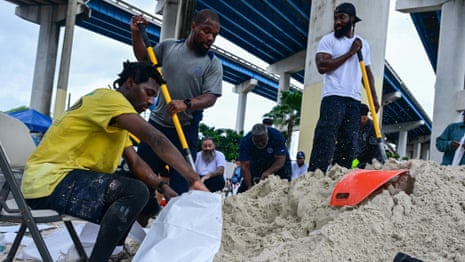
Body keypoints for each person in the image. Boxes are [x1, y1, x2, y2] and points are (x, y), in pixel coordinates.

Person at [21, 61, 208, 262]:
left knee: (143, 193)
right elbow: (155, 138)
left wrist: (162, 186)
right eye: (149, 92)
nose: (151, 102)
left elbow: (136, 162)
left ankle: (114, 251)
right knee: (134, 191)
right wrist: (193, 179)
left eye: (154, 96)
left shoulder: (116, 121)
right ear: (129, 83)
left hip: (66, 181)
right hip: (49, 182)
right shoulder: (108, 98)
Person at [130, 9, 223, 194]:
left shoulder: (213, 64)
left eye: (214, 34)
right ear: (193, 27)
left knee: (180, 186)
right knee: (141, 180)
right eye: (206, 31)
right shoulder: (169, 47)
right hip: (156, 125)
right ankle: (139, 219)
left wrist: (186, 104)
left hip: (185, 129)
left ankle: (176, 220)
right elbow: (143, 58)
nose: (211, 38)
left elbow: (211, 97)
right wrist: (135, 33)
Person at [308, 2, 380, 173]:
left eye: (342, 18)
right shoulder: (328, 40)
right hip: (333, 97)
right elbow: (322, 66)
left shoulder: (363, 44)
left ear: (352, 20)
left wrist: (374, 98)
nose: (338, 22)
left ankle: (341, 174)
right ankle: (315, 174)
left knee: (349, 140)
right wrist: (350, 53)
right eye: (335, 18)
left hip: (354, 100)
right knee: (326, 136)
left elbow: (366, 73)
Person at [238, 123, 291, 193]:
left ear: (267, 135)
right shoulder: (245, 142)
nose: (260, 143)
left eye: (262, 141)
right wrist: (249, 187)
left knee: (284, 187)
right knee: (247, 188)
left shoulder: (277, 136)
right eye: (257, 141)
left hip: (277, 163)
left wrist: (268, 172)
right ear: (252, 138)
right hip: (257, 162)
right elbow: (244, 166)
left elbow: (281, 160)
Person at [352, 103, 383, 168]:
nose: (359, 122)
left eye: (362, 119)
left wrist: (358, 160)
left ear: (365, 117)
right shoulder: (356, 126)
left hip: (374, 162)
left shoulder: (373, 127)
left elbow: (372, 148)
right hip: (360, 161)